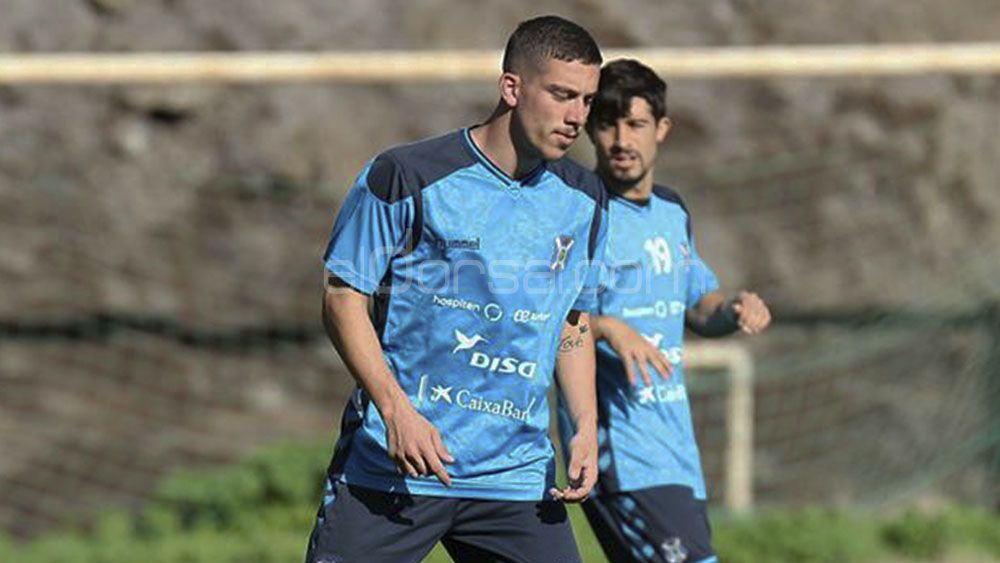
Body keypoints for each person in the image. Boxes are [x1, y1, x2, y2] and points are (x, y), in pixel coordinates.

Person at [306, 15, 609, 563]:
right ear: (511, 88)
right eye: (562, 95)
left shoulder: (584, 198)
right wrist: (397, 412)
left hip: (514, 479)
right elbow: (342, 296)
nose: (576, 117)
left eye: (586, 100)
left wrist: (584, 426)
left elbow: (572, 320)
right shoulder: (406, 175)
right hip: (395, 472)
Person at [557, 59, 772, 563]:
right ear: (590, 128)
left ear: (662, 129)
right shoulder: (576, 212)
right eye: (608, 124)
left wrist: (735, 308)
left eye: (635, 124)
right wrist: (609, 328)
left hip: (674, 450)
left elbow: (701, 306)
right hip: (619, 450)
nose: (621, 140)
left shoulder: (672, 212)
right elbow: (545, 317)